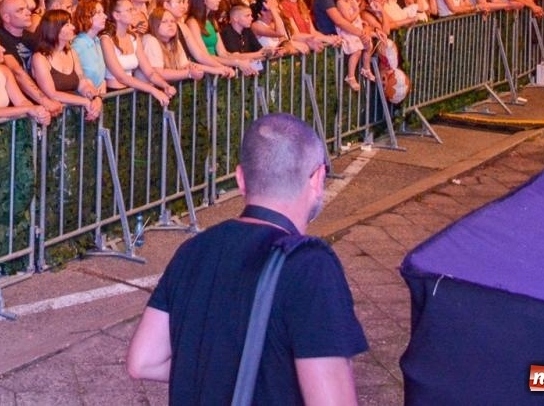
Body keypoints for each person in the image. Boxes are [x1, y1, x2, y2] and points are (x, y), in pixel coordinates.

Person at [126, 114, 366, 404]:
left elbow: (143, 361)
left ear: (241, 179)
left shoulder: (193, 250)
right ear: (317, 179)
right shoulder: (309, 266)